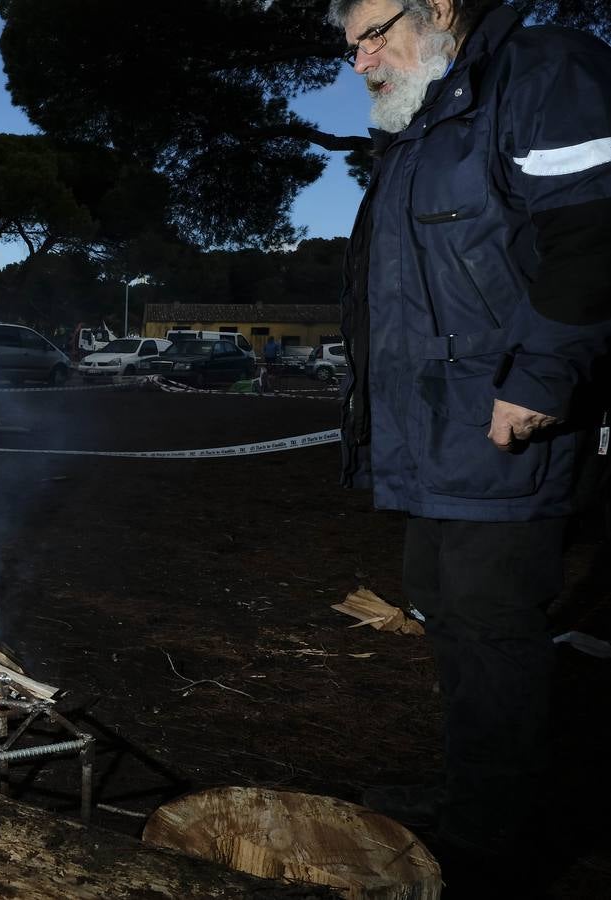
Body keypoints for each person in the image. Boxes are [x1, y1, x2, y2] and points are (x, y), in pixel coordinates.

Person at [330, 0, 611, 886]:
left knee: (492, 625)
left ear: (439, 6)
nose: (361, 59)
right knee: (443, 607)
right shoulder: (424, 122)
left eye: (373, 33)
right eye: (349, 48)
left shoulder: (540, 72)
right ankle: (473, 801)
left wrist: (539, 376)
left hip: (502, 419)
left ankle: (501, 844)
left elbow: (593, 232)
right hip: (433, 432)